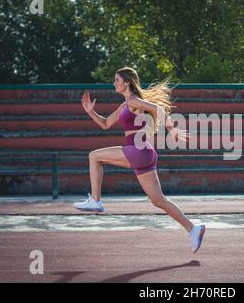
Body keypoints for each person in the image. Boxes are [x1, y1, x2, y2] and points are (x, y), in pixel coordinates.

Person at [73, 67, 206, 253]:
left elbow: (157, 108)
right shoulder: (125, 104)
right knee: (159, 201)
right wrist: (90, 112)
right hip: (145, 154)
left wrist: (172, 130)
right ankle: (193, 229)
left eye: (117, 80)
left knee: (94, 156)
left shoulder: (133, 101)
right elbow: (105, 124)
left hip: (137, 150)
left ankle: (96, 200)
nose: (114, 83)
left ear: (127, 82)